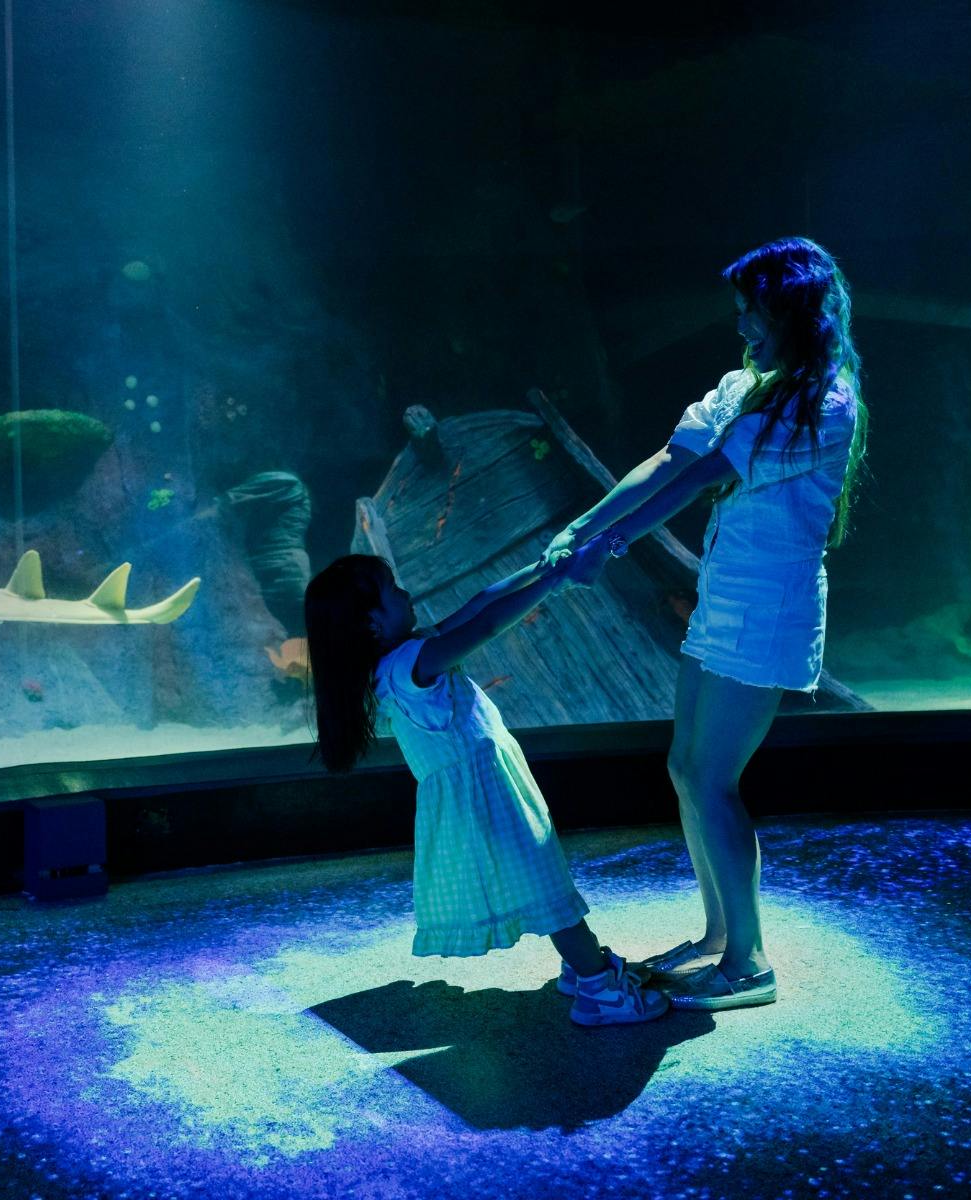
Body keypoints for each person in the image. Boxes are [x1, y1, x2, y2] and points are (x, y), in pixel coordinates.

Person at [541, 237, 869, 1011]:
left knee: (712, 779)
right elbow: (668, 458)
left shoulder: (824, 404)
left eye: (752, 311)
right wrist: (582, 524)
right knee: (687, 770)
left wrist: (609, 546)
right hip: (724, 603)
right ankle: (719, 936)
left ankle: (749, 964)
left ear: (791, 310)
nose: (742, 326)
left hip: (770, 614)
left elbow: (701, 476)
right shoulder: (744, 387)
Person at [303, 547, 668, 1026]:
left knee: (540, 878)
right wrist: (556, 582)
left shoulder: (395, 662)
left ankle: (583, 970)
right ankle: (600, 990)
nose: (406, 592)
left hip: (476, 795)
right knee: (545, 883)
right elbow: (486, 625)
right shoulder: (411, 662)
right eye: (393, 590)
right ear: (370, 623)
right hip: (486, 796)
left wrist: (545, 565)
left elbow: (476, 605)